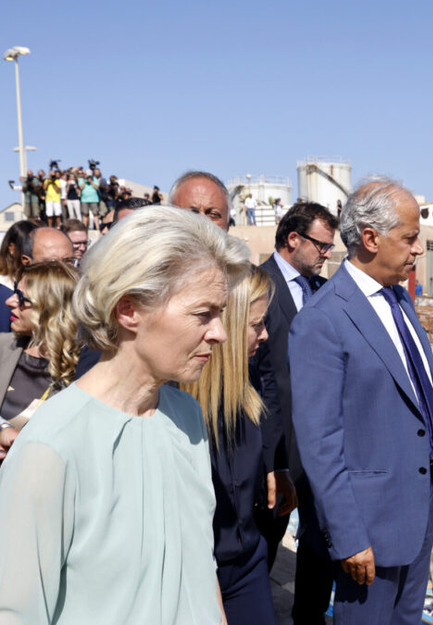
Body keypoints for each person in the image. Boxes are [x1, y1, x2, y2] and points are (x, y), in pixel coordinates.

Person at [0, 206, 248, 623]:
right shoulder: (52, 446)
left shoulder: (186, 415)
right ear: (128, 309)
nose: (220, 333)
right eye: (202, 314)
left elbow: (200, 573)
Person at [289, 180, 433, 624]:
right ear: (370, 238)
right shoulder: (322, 320)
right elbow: (320, 441)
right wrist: (347, 536)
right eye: (409, 238)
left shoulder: (399, 298)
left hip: (416, 507)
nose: (418, 249)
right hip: (369, 526)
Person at [180, 265, 288, 624]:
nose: (266, 334)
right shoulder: (174, 400)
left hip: (247, 562)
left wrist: (275, 466)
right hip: (191, 573)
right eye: (256, 324)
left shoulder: (249, 380)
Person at [252, 202, 335, 614]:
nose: (327, 254)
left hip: (319, 445)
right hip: (277, 446)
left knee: (320, 544)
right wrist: (270, 457)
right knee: (266, 543)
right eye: (321, 245)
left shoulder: (321, 291)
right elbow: (257, 380)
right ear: (293, 239)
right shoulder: (257, 288)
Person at [0, 261, 80, 459]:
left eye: (20, 298)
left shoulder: (85, 366)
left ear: (49, 308)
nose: (9, 301)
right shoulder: (3, 346)